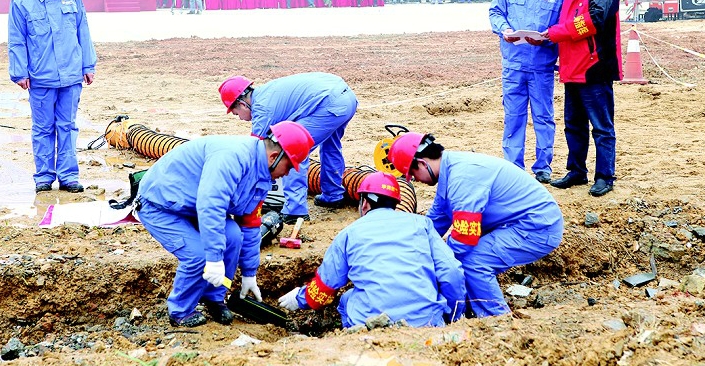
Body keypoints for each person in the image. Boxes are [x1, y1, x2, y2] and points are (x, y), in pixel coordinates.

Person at [136, 121, 314, 327]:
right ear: (274, 157)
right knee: (198, 256)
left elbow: (250, 223)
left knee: (233, 237)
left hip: (193, 208)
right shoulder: (233, 157)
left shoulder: (262, 175)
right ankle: (180, 311)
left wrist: (249, 273)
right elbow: (211, 206)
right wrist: (213, 259)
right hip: (161, 205)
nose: (288, 173)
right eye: (290, 166)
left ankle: (214, 297)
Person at [387, 132, 564, 317]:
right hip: (521, 223)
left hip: (537, 227)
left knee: (472, 261)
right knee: (457, 254)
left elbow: (465, 238)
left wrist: (435, 263)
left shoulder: (462, 178)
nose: (415, 180)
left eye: (413, 175)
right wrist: (405, 249)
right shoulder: (450, 170)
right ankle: (477, 302)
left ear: (422, 163)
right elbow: (436, 220)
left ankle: (496, 319)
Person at [278, 172, 466, 327]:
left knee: (346, 300)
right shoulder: (422, 224)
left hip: (370, 328)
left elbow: (326, 287)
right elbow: (452, 272)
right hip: (427, 325)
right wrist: (455, 317)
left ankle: (350, 336)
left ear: (364, 203)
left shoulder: (349, 234)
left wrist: (299, 298)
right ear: (395, 203)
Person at [8, 0, 97, 194]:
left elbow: (83, 31)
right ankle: (44, 177)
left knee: (67, 126)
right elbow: (17, 39)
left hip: (71, 76)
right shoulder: (21, 1)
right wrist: (19, 71)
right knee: (43, 128)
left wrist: (88, 65)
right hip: (40, 77)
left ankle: (68, 176)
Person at [219, 73, 358, 223]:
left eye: (236, 113)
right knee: (331, 146)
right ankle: (333, 195)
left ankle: (295, 211)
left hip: (330, 104)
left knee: (291, 150)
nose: (239, 117)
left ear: (242, 104)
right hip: (347, 98)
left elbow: (256, 153)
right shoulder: (266, 92)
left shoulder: (262, 110)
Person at [544, 0, 622, 197]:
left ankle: (605, 175)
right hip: (571, 70)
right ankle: (577, 170)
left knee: (601, 126)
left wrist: (555, 32)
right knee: (573, 124)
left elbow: (592, 21)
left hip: (595, 69)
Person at [488, 0, 565, 183]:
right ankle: (513, 166)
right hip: (513, 66)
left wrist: (547, 38)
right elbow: (495, 11)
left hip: (541, 68)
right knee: (513, 116)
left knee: (543, 116)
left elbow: (563, 28)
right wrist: (504, 30)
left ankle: (543, 166)